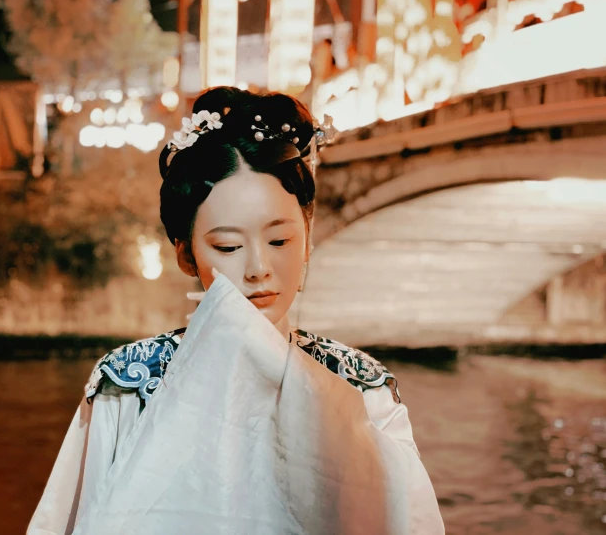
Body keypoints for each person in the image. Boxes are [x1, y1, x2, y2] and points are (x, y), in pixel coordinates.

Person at [27, 87, 444, 534]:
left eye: (280, 241)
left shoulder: (362, 387)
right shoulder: (130, 384)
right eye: (228, 246)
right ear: (185, 255)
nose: (258, 269)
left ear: (307, 241)